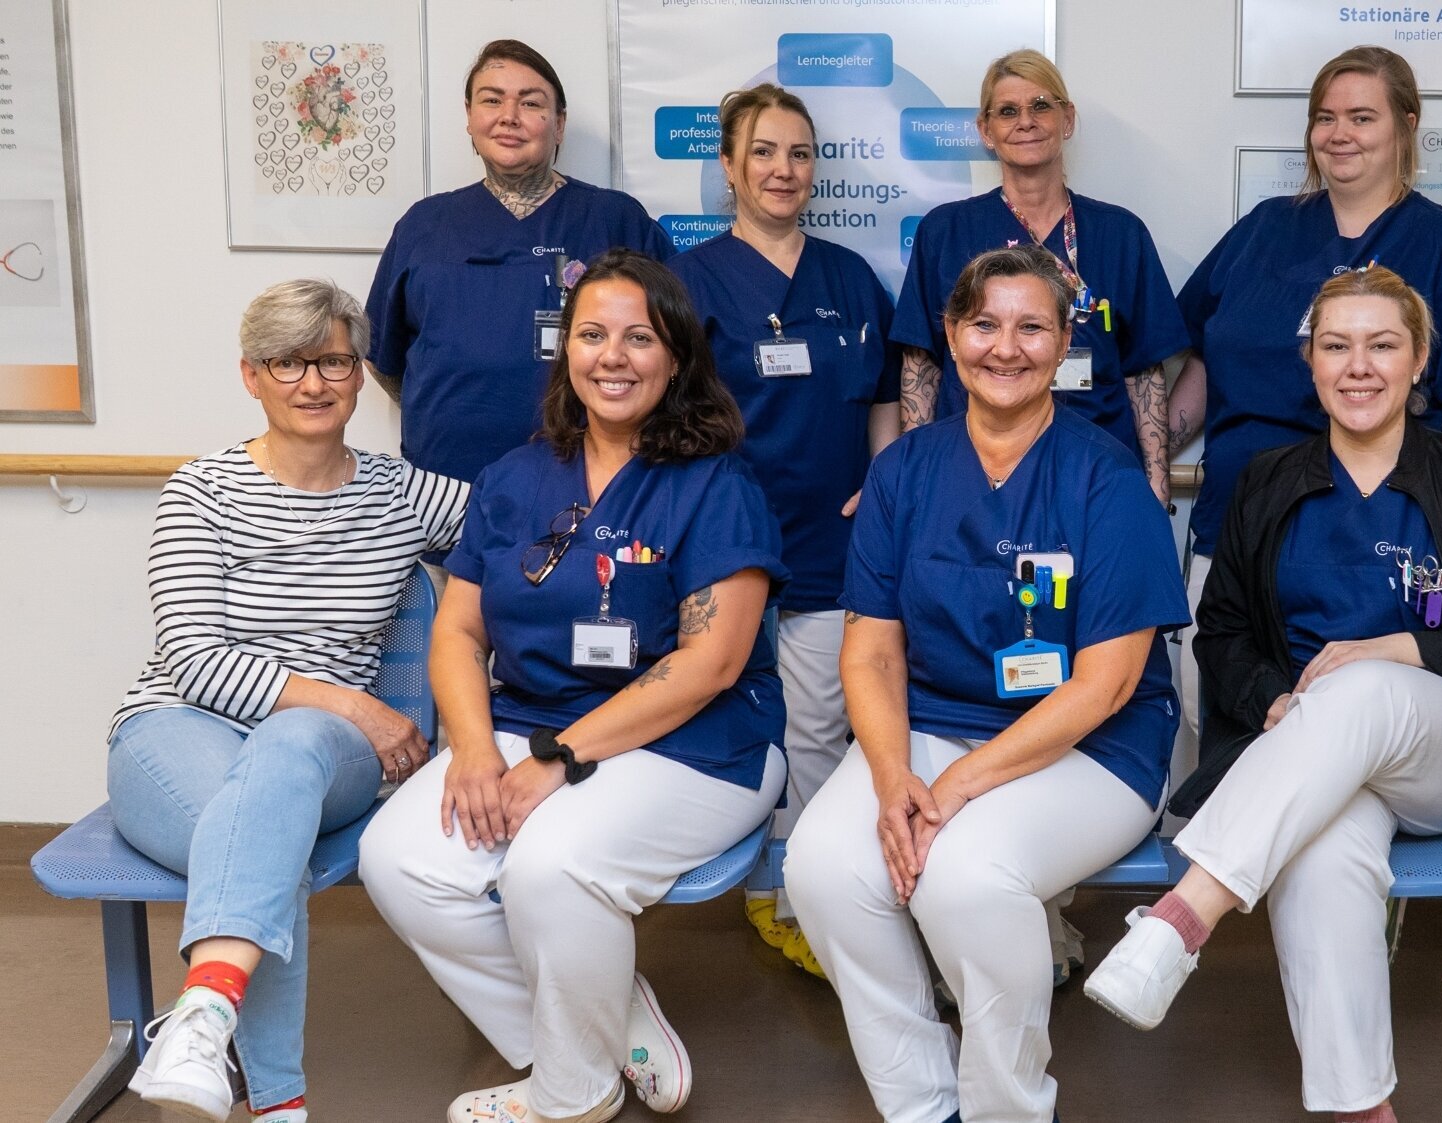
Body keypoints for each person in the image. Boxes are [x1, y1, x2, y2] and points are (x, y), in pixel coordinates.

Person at [1084, 266, 1442, 1122]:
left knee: (1366, 686)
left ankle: (1183, 917)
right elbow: (1221, 631)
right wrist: (1272, 697)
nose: (1359, 366)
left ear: (1420, 362)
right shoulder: (1268, 480)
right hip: (1307, 752)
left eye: (1383, 345)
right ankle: (1359, 1108)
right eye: (1336, 346)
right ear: (1310, 363)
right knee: (1326, 850)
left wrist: (1398, 647)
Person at [359, 250, 788, 1123]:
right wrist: (474, 749)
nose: (613, 356)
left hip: (701, 741)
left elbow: (708, 664)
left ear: (675, 357)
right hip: (527, 720)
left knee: (553, 867)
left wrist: (555, 761)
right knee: (399, 861)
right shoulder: (517, 476)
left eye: (640, 336)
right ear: (567, 351)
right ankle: (608, 1016)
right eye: (592, 334)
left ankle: (572, 1092)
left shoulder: (718, 482)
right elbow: (459, 630)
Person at [785, 245, 1189, 1123]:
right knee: (821, 864)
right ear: (952, 334)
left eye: (1032, 326)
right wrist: (895, 782)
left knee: (965, 875)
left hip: (1093, 742)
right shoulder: (904, 470)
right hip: (931, 721)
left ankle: (1008, 1105)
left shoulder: (1106, 476)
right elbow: (872, 654)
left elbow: (1109, 681)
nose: (1006, 347)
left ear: (1065, 341)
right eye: (985, 324)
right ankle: (923, 1102)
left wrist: (954, 789)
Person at [107, 280, 467, 1123]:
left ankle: (203, 1010)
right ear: (251, 376)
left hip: (320, 749)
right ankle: (270, 1096)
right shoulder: (201, 493)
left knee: (288, 754)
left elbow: (535, 523)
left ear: (357, 371)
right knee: (264, 850)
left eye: (333, 360)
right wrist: (363, 706)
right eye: (287, 362)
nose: (313, 382)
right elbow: (194, 662)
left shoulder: (404, 493)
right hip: (175, 732)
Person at [1167, 45, 1442, 787]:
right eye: (1324, 118)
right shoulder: (1265, 230)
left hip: (1383, 543)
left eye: (1362, 116)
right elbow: (1200, 357)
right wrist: (1143, 457)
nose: (1340, 133)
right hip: (1243, 524)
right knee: (1225, 708)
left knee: (1361, 731)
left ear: (1406, 126)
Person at [667, 83, 899, 977]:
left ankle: (800, 890)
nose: (783, 169)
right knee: (733, 713)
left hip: (834, 542)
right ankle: (770, 884)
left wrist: (881, 486)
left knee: (819, 723)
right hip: (727, 541)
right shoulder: (689, 283)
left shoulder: (849, 277)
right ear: (728, 165)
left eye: (799, 154)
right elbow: (665, 412)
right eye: (763, 151)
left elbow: (883, 398)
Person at [366, 39, 676, 484]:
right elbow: (382, 358)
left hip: (588, 489)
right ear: (470, 117)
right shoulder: (424, 226)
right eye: (492, 100)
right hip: (444, 489)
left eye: (530, 103)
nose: (509, 116)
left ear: (559, 124)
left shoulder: (614, 220)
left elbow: (678, 342)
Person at [895, 49, 1187, 505]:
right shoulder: (946, 231)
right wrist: (914, 473)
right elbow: (921, 363)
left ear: (1067, 120)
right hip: (973, 470)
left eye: (1041, 106)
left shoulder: (1120, 232)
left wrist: (1156, 480)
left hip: (1099, 469)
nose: (1025, 121)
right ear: (985, 131)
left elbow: (1144, 371)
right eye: (1007, 111)